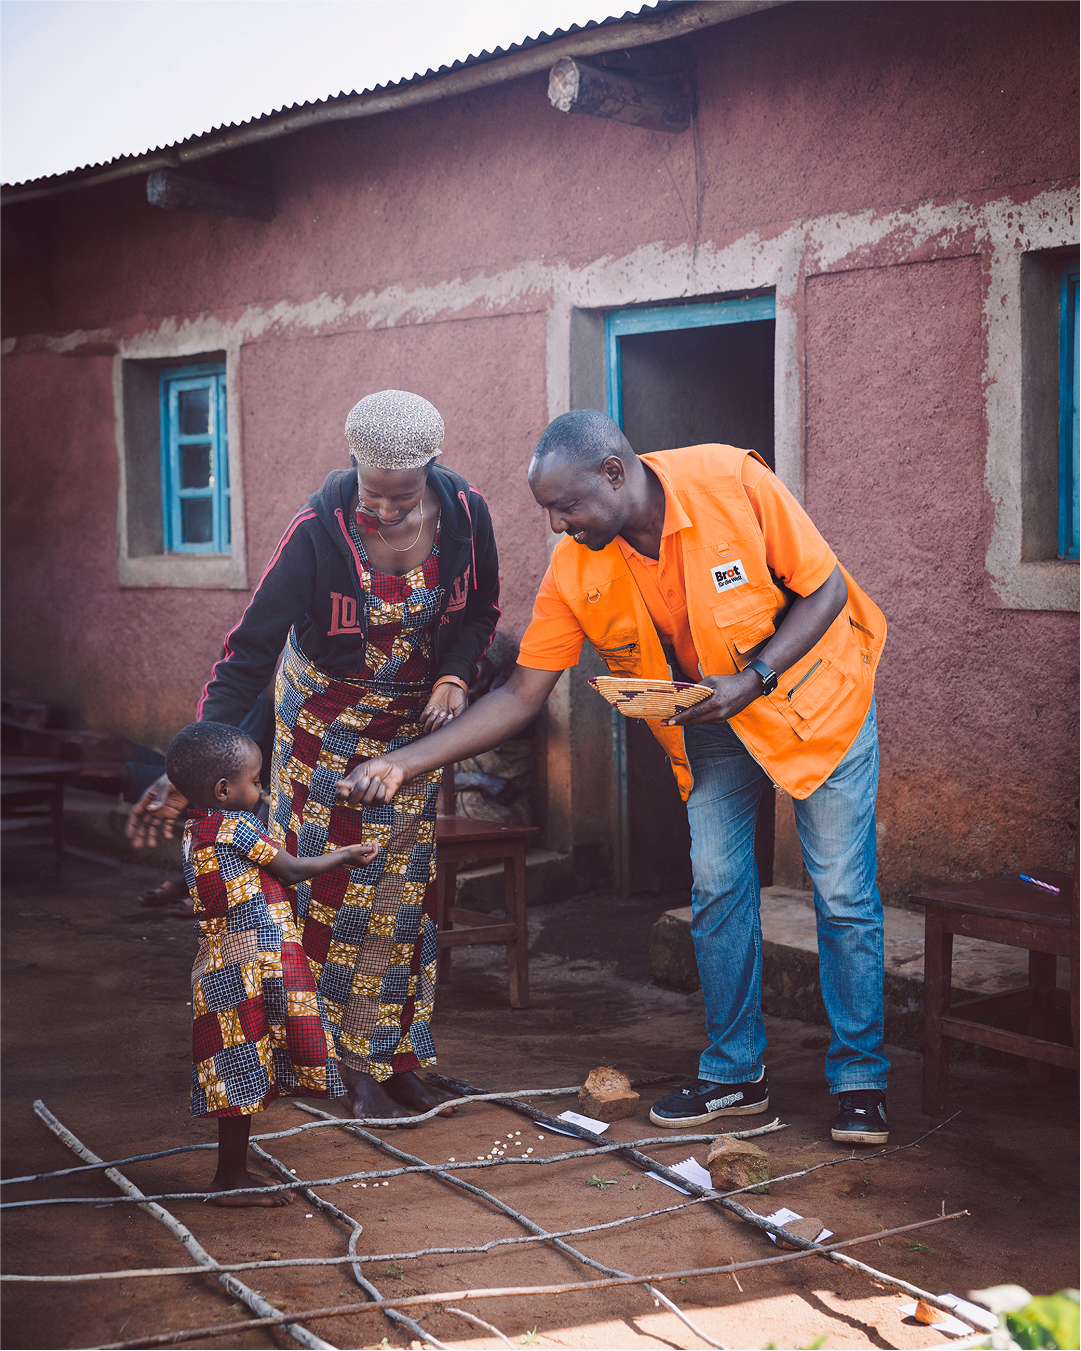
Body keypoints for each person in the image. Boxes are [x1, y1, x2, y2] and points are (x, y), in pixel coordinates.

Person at [339, 409, 890, 1146]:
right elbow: (521, 694)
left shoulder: (731, 480)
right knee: (717, 887)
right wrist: (404, 760)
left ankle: (860, 1081)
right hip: (711, 718)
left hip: (818, 701)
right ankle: (736, 1072)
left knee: (842, 894)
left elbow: (826, 590)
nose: (559, 525)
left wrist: (754, 678)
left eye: (567, 506)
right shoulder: (575, 567)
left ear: (613, 473)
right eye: (548, 511)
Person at [127, 390, 501, 1124]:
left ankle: (394, 1057)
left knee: (403, 895)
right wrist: (194, 765)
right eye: (372, 496)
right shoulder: (315, 533)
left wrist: (455, 676)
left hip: (411, 733)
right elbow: (248, 654)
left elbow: (483, 608)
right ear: (352, 464)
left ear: (430, 468)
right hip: (321, 731)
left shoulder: (464, 513)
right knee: (331, 892)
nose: (385, 512)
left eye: (402, 498)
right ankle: (334, 1063)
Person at [166, 720, 378, 1204]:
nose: (261, 789)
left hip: (220, 962)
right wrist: (346, 854)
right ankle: (229, 1180)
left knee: (238, 1064)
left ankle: (232, 1174)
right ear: (224, 790)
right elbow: (293, 869)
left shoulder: (195, 830)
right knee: (246, 1061)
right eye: (256, 780)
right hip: (254, 961)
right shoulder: (236, 825)